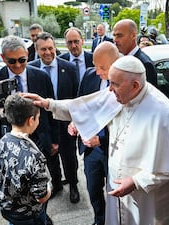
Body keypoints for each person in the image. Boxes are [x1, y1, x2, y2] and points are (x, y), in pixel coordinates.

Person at [22, 55, 169, 225]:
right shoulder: (119, 94)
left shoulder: (165, 114)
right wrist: (48, 104)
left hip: (150, 199)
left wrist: (136, 181)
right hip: (120, 192)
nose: (109, 89)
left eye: (114, 84)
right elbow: (82, 106)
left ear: (135, 85)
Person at [0, 35, 58, 224]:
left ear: (27, 54)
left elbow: (51, 110)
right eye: (12, 61)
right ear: (2, 57)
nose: (17, 65)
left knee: (39, 181)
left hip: (40, 139)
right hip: (11, 142)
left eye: (22, 60)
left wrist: (55, 139)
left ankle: (39, 212)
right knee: (18, 187)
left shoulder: (41, 76)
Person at [69, 42, 119, 225]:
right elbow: (81, 106)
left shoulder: (125, 82)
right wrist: (75, 123)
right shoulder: (90, 75)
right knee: (93, 189)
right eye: (95, 66)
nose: (97, 71)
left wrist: (101, 139)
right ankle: (99, 220)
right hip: (90, 150)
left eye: (102, 67)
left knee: (115, 193)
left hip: (112, 149)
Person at [29, 32, 79, 203]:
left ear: (55, 47)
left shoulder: (70, 68)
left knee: (69, 156)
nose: (48, 52)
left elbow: (76, 97)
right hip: (43, 124)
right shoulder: (32, 69)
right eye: (43, 49)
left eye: (50, 48)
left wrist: (75, 119)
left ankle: (73, 184)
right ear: (37, 50)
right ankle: (57, 184)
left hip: (65, 121)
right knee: (50, 156)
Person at [0, 94, 52, 225]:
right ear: (31, 120)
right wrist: (49, 186)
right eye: (38, 118)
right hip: (29, 215)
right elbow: (41, 197)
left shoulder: (3, 141)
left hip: (8, 209)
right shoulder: (34, 155)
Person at [112, 19, 157, 87]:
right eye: (114, 35)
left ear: (133, 36)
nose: (115, 39)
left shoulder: (145, 64)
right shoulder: (118, 60)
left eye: (119, 35)